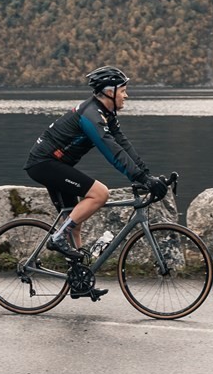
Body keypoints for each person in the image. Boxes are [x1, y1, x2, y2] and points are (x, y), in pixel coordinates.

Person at [24, 65, 168, 299]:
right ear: (109, 91)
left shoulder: (106, 114)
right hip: (43, 164)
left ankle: (79, 280)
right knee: (100, 194)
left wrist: (147, 175)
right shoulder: (91, 115)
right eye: (123, 90)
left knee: (74, 220)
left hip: (57, 165)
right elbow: (111, 152)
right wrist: (141, 178)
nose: (126, 95)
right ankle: (57, 238)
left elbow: (123, 144)